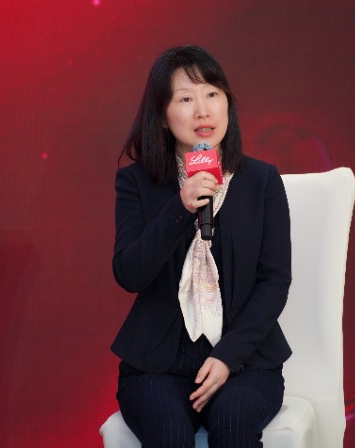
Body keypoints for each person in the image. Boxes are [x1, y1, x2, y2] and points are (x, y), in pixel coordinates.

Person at [111, 45, 292, 448]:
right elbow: (129, 273)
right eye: (185, 99)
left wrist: (228, 356)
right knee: (169, 435)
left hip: (245, 361)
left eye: (212, 94)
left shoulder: (261, 180)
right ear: (162, 115)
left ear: (227, 103)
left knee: (233, 425)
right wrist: (180, 208)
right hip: (157, 365)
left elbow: (274, 281)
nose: (202, 111)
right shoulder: (136, 182)